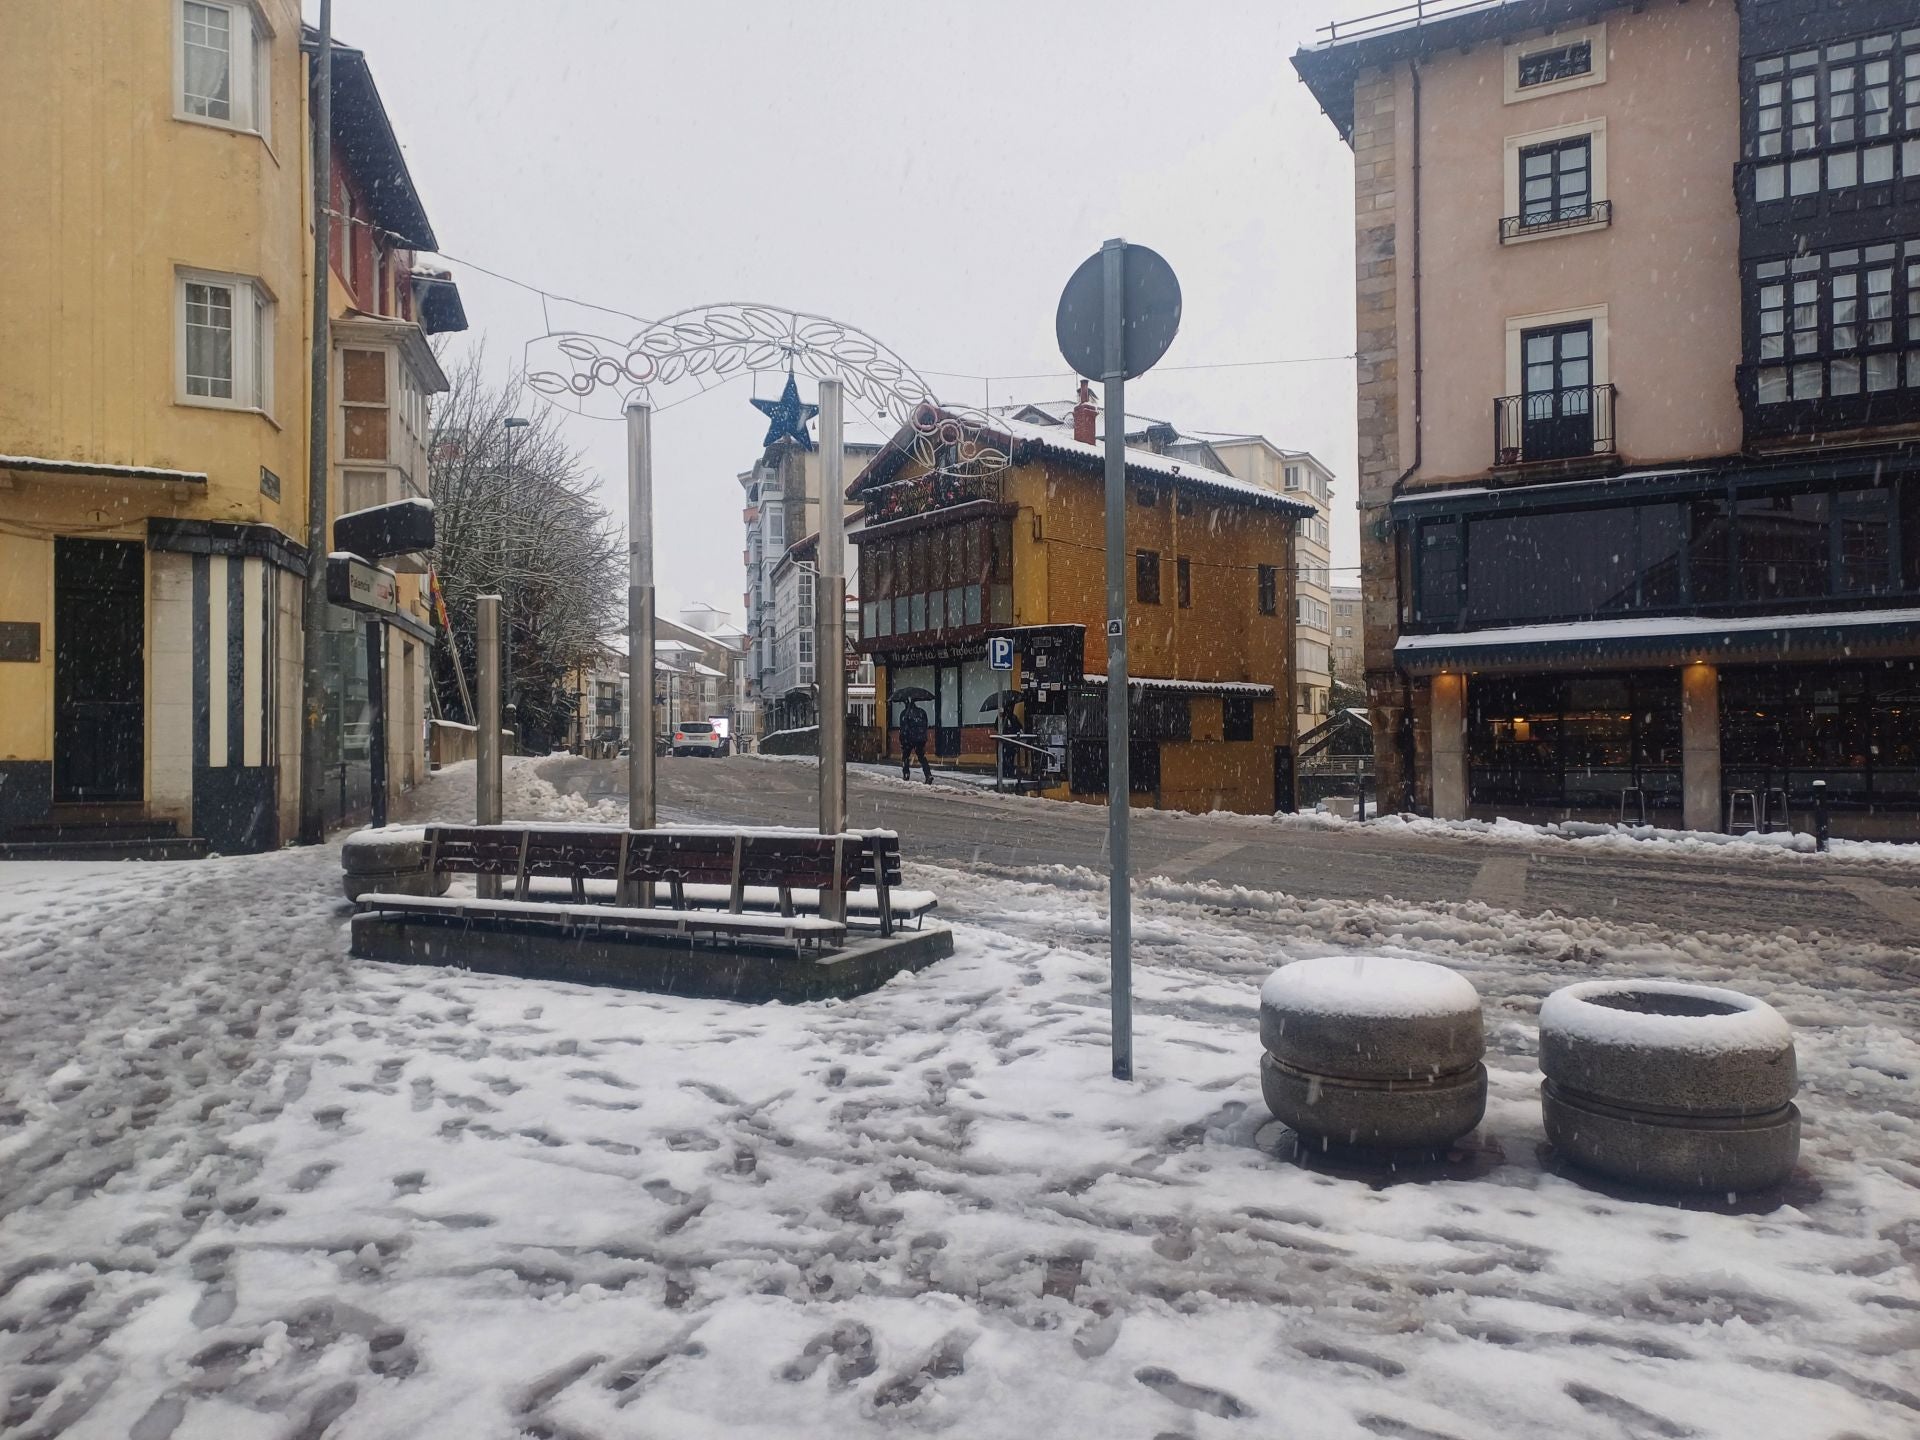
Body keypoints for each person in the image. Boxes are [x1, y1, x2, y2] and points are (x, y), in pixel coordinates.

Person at [899, 698, 933, 784]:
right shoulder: (922, 712)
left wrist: (902, 740)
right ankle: (928, 775)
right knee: (921, 757)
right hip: (920, 739)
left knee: (905, 757)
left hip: (909, 739)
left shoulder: (904, 713)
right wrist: (923, 737)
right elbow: (925, 725)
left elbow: (903, 729)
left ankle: (906, 774)